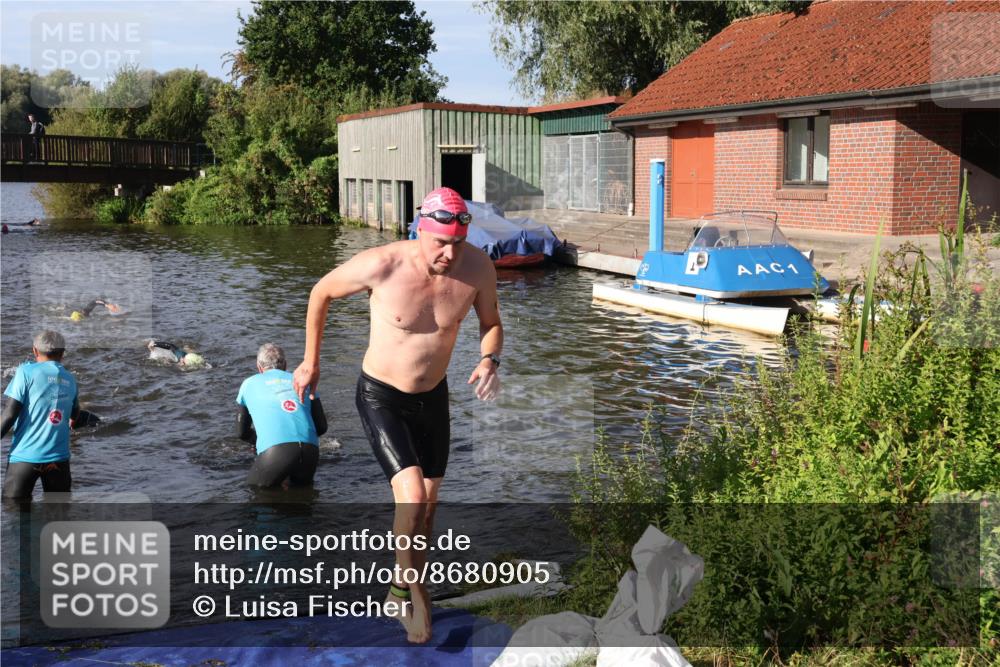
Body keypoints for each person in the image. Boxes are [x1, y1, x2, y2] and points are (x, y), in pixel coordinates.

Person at [292, 186, 503, 643]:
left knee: (427, 508)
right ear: (420, 230)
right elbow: (320, 292)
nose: (449, 254)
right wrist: (311, 361)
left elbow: (491, 324)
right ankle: (417, 597)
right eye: (440, 243)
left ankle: (397, 589)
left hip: (433, 397)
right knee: (411, 496)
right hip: (381, 395)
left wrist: (490, 359)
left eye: (458, 244)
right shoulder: (382, 264)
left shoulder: (478, 268)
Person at [1, 331, 79, 499]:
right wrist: (71, 420)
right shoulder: (70, 379)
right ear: (62, 354)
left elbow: (9, 414)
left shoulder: (25, 372)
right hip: (59, 460)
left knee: (13, 509)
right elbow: (75, 413)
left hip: (25, 458)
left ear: (35, 351)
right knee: (57, 511)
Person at [236, 343, 328, 488]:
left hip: (275, 451)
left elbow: (242, 432)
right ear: (285, 365)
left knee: (255, 493)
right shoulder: (304, 381)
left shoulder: (248, 383)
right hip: (310, 450)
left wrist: (257, 441)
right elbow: (321, 427)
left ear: (259, 367)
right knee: (303, 498)